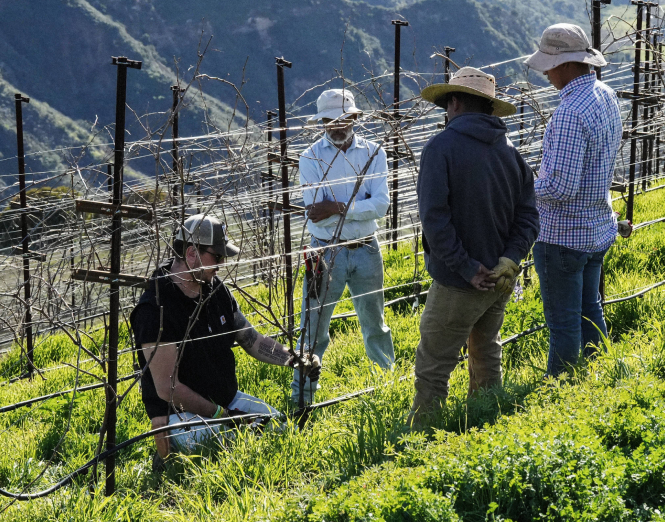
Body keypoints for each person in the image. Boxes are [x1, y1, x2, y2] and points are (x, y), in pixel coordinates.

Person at [130, 214, 318, 464]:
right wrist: (222, 415)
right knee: (233, 446)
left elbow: (252, 340)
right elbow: (168, 388)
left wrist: (294, 359)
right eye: (216, 257)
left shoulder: (216, 290)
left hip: (227, 400)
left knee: (281, 431)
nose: (221, 263)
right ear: (191, 254)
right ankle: (170, 453)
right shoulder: (155, 309)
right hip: (182, 415)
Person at [410, 66, 540, 420]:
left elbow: (435, 221)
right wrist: (508, 261)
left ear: (453, 103)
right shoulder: (512, 155)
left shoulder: (440, 148)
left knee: (434, 365)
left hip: (458, 281)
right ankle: (486, 424)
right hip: (498, 280)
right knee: (486, 353)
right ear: (489, 108)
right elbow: (529, 218)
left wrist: (467, 268)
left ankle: (421, 442)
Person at [523, 23, 627, 376]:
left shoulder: (569, 114)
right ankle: (599, 376)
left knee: (563, 324)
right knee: (590, 309)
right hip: (597, 227)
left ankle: (562, 392)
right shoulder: (606, 96)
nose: (547, 74)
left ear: (566, 64)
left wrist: (520, 186)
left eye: (549, 66)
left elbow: (560, 188)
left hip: (563, 236)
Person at [292, 89, 395, 407]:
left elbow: (382, 205)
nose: (337, 126)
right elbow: (316, 217)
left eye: (342, 119)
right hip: (324, 252)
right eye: (329, 121)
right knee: (314, 327)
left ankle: (386, 384)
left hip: (366, 248)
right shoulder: (309, 157)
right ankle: (303, 396)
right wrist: (357, 204)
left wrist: (336, 205)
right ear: (322, 123)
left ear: (354, 118)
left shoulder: (374, 152)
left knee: (374, 322)